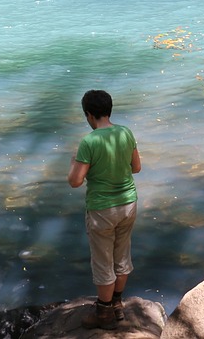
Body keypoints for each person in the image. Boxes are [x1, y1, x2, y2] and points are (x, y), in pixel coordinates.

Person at [67, 89, 141, 330]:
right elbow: (136, 167)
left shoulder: (89, 141)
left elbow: (75, 181)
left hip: (102, 210)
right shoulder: (125, 133)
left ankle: (103, 312)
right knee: (121, 255)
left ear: (89, 115)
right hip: (129, 204)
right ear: (109, 110)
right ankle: (118, 303)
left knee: (102, 261)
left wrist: (73, 162)